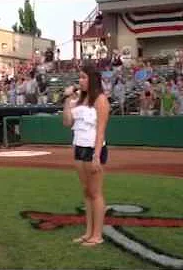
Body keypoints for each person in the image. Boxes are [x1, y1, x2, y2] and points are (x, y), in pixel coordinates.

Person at [62, 64, 110, 247]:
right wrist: (67, 99)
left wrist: (97, 155)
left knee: (96, 192)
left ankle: (97, 235)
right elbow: (67, 122)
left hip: (93, 150)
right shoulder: (78, 100)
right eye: (79, 78)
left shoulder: (101, 100)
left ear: (92, 79)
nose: (80, 81)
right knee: (86, 192)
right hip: (79, 148)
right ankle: (88, 232)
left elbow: (101, 131)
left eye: (83, 77)